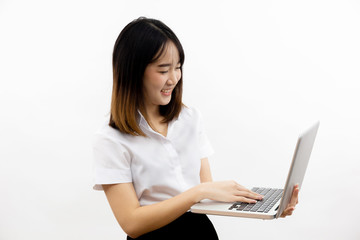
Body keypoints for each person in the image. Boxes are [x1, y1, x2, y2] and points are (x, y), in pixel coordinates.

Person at [92, 17, 299, 240]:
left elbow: (207, 194)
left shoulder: (189, 118)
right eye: (163, 70)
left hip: (201, 234)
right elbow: (131, 223)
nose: (173, 79)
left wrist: (267, 206)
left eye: (178, 68)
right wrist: (197, 192)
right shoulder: (111, 139)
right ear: (133, 71)